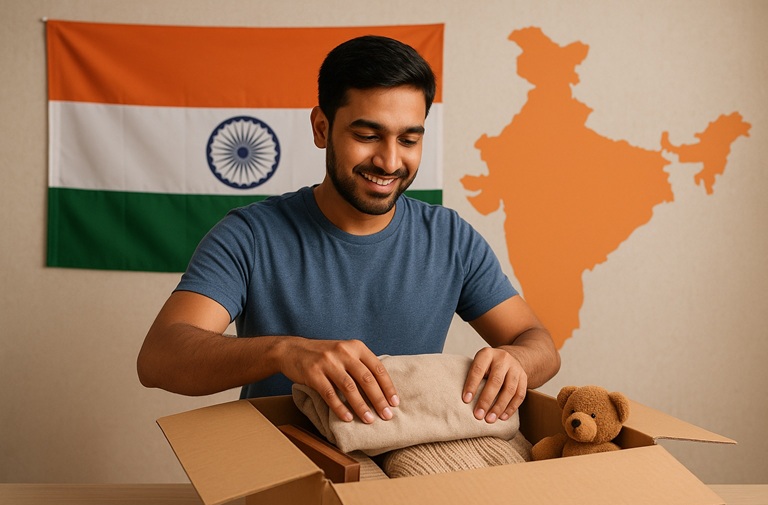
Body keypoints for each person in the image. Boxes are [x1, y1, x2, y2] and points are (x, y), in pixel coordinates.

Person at [137, 35, 559, 427]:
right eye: (368, 135)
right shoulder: (249, 235)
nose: (390, 161)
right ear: (322, 128)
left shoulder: (450, 237)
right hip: (285, 476)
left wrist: (515, 360)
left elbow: (537, 342)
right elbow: (160, 357)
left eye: (409, 140)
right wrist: (284, 351)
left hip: (407, 473)